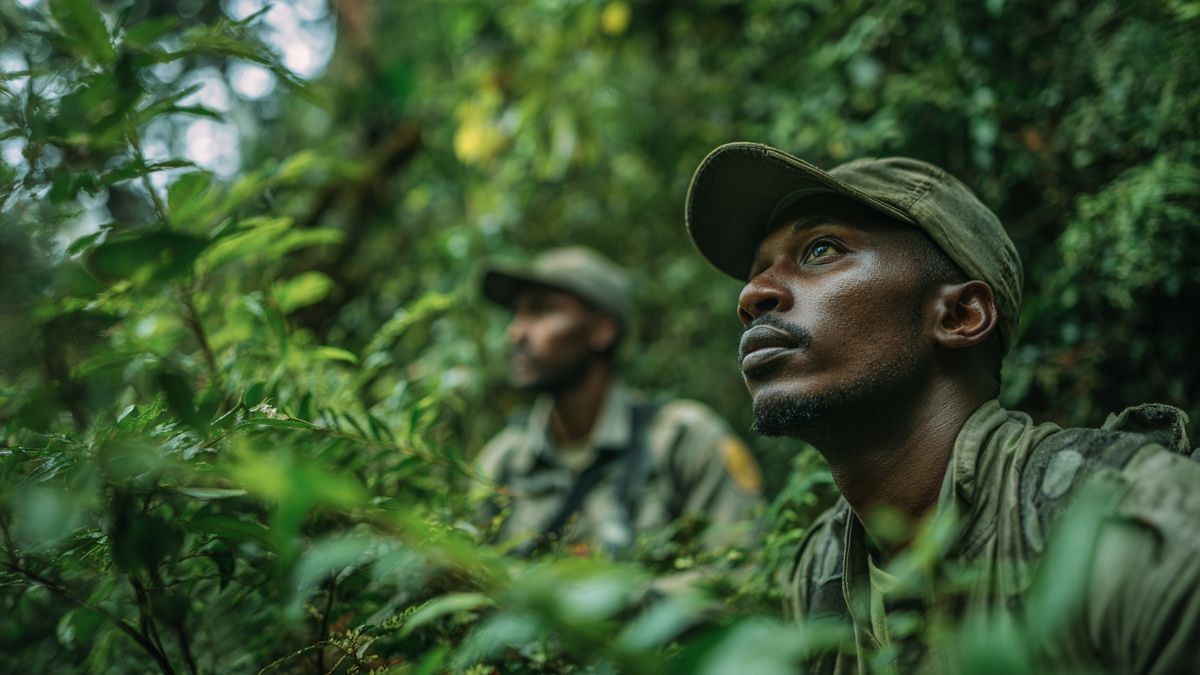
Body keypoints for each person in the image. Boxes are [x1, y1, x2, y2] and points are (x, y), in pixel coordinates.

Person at [684, 142, 1199, 672]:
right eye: (757, 271)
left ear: (959, 315)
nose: (752, 295)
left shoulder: (1136, 529)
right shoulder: (817, 578)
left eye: (821, 250)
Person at [475, 246, 763, 558]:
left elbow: (735, 574)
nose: (515, 333)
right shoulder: (501, 464)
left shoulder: (683, 441)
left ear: (601, 330)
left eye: (541, 311)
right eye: (516, 314)